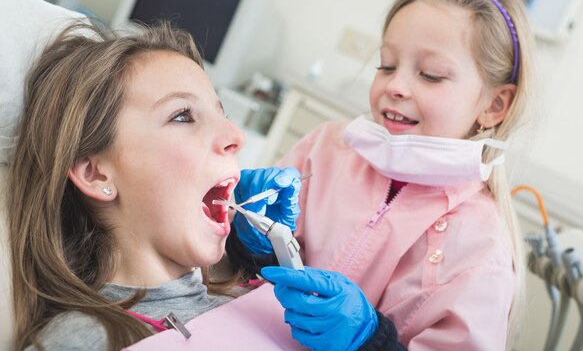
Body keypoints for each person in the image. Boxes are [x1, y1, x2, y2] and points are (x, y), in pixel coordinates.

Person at [8, 20, 404, 351]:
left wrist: (372, 342)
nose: (235, 135)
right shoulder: (82, 341)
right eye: (182, 116)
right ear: (96, 174)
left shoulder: (256, 294)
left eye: (222, 113)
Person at [228, 0, 536, 351]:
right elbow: (244, 280)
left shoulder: (481, 248)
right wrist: (246, 241)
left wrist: (371, 340)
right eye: (387, 65)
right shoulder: (325, 148)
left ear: (494, 105)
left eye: (430, 75)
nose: (396, 85)